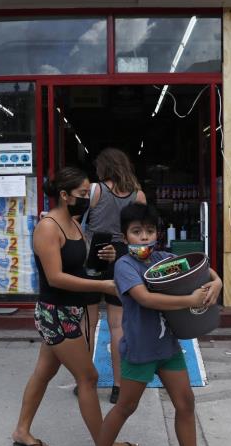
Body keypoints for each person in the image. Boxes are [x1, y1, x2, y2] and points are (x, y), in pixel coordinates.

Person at [87, 203, 227, 446]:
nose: (144, 237)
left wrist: (217, 282)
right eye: (136, 232)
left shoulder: (164, 259)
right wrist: (190, 300)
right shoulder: (126, 265)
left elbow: (204, 270)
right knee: (126, 406)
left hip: (169, 347)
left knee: (186, 403)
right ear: (125, 237)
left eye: (149, 231)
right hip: (140, 349)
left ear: (157, 234)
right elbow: (145, 299)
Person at [11, 167, 140, 446]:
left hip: (71, 309)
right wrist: (103, 284)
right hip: (55, 313)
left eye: (88, 194)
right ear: (64, 195)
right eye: (82, 195)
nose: (88, 199)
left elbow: (78, 267)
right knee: (88, 377)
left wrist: (106, 258)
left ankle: (21, 431)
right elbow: (55, 277)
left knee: (44, 372)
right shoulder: (48, 227)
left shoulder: (75, 223)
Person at [85, 147, 147, 405]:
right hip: (123, 257)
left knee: (87, 324)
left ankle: (86, 381)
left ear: (104, 168)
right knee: (118, 326)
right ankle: (119, 387)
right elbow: (142, 232)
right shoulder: (138, 195)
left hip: (92, 255)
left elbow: (80, 219)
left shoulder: (95, 190)